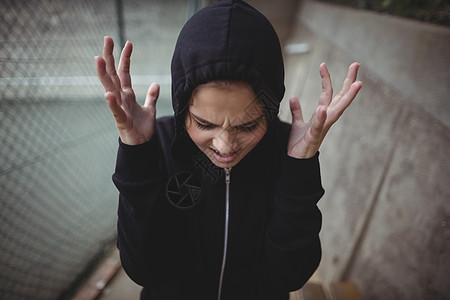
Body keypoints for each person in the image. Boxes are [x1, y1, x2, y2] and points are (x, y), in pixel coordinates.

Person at [95, 1, 362, 299]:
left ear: (270, 110)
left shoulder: (287, 149)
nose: (225, 147)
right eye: (203, 124)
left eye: (247, 126)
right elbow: (146, 270)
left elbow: (289, 275)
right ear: (182, 109)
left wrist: (300, 167)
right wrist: (136, 155)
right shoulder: (157, 145)